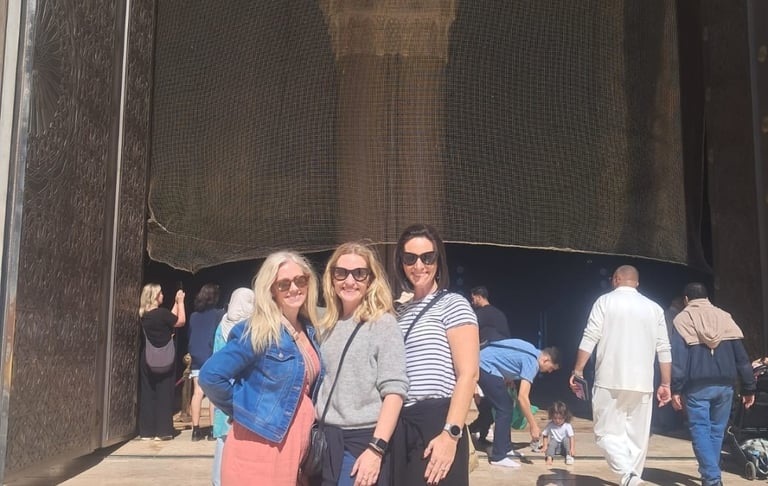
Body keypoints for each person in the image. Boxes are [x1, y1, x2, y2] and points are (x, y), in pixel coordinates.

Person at [199, 251, 323, 486]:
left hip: (295, 443)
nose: (294, 288)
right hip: (259, 446)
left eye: (300, 280)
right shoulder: (258, 330)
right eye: (284, 284)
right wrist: (244, 411)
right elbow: (210, 376)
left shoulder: (309, 329)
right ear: (271, 290)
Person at [390, 223, 479, 486]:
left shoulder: (453, 304)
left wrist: (451, 434)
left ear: (438, 260)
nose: (419, 265)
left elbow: (468, 374)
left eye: (427, 257)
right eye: (410, 258)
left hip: (437, 420)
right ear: (401, 263)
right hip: (401, 423)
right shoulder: (400, 312)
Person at [570, 265, 672, 486]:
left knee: (605, 434)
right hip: (643, 383)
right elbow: (664, 348)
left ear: (616, 279)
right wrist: (666, 383)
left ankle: (628, 475)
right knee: (637, 439)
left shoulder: (605, 302)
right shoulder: (654, 308)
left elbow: (590, 336)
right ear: (637, 283)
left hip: (609, 380)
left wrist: (577, 370)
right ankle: (632, 479)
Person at [316, 242, 408, 486]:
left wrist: (376, 449)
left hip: (361, 443)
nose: (350, 281)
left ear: (370, 280)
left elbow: (395, 392)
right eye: (341, 273)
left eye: (359, 273)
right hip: (326, 441)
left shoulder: (383, 325)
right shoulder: (326, 326)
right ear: (331, 278)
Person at [670, 282, 756, 486]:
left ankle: (712, 478)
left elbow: (679, 360)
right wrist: (749, 387)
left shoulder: (681, 320)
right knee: (716, 431)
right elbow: (742, 358)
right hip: (725, 385)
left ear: (686, 300)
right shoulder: (724, 317)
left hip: (697, 387)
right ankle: (710, 473)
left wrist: (676, 389)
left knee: (700, 430)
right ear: (707, 297)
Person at [477, 338, 560, 467]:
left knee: (506, 405)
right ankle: (498, 456)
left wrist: (508, 377)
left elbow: (506, 356)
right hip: (484, 365)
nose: (549, 371)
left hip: (483, 361)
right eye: (551, 368)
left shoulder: (532, 350)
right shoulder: (533, 362)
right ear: (545, 360)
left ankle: (506, 448)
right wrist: (533, 425)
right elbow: (523, 398)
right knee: (504, 408)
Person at [211, 287, 255, 486]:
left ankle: (218, 480)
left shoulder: (222, 324)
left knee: (222, 439)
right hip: (242, 388)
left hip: (222, 388)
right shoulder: (249, 328)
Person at [138, 283, 186, 440]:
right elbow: (180, 321)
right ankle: (163, 431)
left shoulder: (144, 314)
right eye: (160, 293)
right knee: (164, 393)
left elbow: (169, 319)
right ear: (155, 296)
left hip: (148, 357)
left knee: (148, 393)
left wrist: (174, 303)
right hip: (165, 357)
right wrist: (181, 302)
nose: (163, 295)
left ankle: (147, 432)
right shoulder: (162, 313)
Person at [467, 286, 511, 446]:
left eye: (473, 298)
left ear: (479, 297)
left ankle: (471, 432)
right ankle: (487, 438)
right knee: (499, 406)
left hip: (482, 362)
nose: (472, 301)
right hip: (499, 364)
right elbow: (507, 340)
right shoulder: (500, 314)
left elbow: (468, 337)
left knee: (490, 407)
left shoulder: (477, 315)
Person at [188, 283, 225, 441]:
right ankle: (212, 430)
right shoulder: (219, 314)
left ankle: (195, 431)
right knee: (212, 395)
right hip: (211, 356)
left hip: (196, 356)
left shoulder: (193, 316)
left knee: (197, 392)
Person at [541, 401, 575, 466]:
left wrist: (572, 448)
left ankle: (569, 456)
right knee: (552, 442)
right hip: (555, 448)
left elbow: (571, 437)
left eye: (560, 418)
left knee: (566, 439)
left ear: (565, 417)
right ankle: (549, 458)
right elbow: (545, 434)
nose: (557, 420)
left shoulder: (567, 425)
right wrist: (545, 446)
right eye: (555, 418)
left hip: (564, 448)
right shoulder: (550, 425)